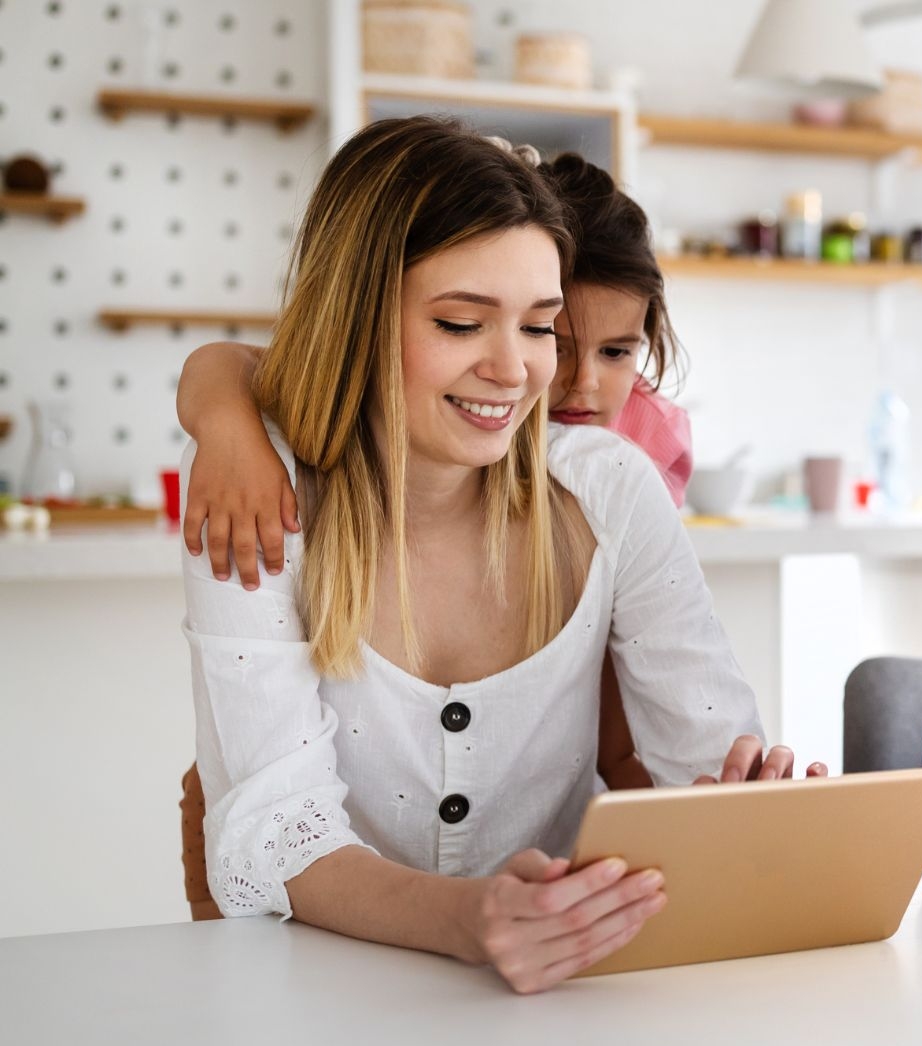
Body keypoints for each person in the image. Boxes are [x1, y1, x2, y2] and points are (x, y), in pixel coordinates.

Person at [182, 116, 798, 996]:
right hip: (308, 1000)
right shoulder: (256, 493)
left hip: (557, 1002)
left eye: (540, 327)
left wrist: (739, 805)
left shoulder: (610, 489)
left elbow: (702, 751)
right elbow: (280, 833)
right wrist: (471, 921)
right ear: (355, 317)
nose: (516, 371)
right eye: (464, 322)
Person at [175, 150, 701, 791]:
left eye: (537, 326)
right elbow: (247, 361)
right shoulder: (309, 479)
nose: (573, 382)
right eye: (558, 340)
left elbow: (681, 721)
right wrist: (227, 425)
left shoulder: (625, 464)